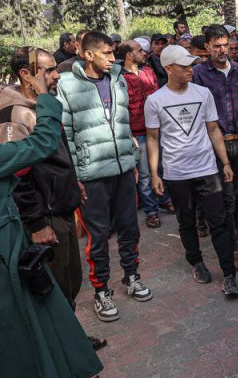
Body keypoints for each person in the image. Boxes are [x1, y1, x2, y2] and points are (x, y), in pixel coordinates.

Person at [0, 54, 104, 378]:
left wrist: (74, 185)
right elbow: (22, 176)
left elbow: (54, 156)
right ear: (26, 75)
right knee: (49, 293)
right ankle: (60, 356)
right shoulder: (14, 114)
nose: (54, 76)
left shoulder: (34, 106)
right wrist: (36, 223)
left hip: (60, 208)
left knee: (69, 284)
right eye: (46, 71)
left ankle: (69, 346)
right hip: (40, 221)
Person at [56, 31, 153, 322]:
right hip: (92, 175)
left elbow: (123, 128)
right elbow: (67, 134)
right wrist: (76, 176)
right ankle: (101, 291)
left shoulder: (118, 80)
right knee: (98, 237)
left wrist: (133, 160)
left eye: (114, 53)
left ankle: (132, 276)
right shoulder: (68, 85)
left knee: (129, 229)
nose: (114, 59)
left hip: (123, 170)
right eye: (107, 54)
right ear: (88, 55)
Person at [144, 45, 238, 296]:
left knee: (219, 221)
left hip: (207, 169)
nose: (190, 69)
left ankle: (229, 274)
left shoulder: (203, 93)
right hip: (176, 173)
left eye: (191, 65)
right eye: (184, 66)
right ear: (168, 69)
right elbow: (153, 138)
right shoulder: (155, 101)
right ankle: (196, 262)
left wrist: (225, 163)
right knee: (186, 221)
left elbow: (213, 129)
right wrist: (155, 173)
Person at [192, 24, 238, 274]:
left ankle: (232, 230)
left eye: (225, 45)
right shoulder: (199, 74)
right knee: (226, 197)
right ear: (207, 47)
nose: (222, 50)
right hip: (216, 143)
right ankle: (233, 248)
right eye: (216, 46)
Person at [118, 40, 172, 229]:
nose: (144, 52)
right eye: (139, 50)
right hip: (138, 132)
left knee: (163, 168)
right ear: (129, 55)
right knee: (146, 174)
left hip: (157, 129)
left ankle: (165, 198)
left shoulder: (149, 72)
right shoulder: (119, 78)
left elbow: (158, 98)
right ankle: (151, 211)